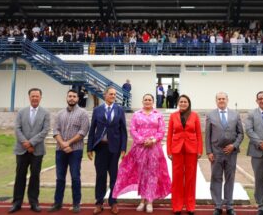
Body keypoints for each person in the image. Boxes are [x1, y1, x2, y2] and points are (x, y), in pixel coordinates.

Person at [112, 94, 171, 213]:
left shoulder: (158, 115)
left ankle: (150, 201)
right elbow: (133, 130)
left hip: (154, 149)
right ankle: (142, 200)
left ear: (153, 102)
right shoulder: (136, 114)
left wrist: (153, 140)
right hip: (139, 148)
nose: (148, 101)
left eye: (150, 100)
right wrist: (142, 141)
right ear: (142, 101)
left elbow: (162, 130)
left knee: (152, 174)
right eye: (146, 100)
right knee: (142, 174)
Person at [9, 88, 51, 213]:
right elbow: (17, 129)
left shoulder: (45, 113)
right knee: (20, 176)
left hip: (37, 150)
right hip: (21, 150)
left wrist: (32, 143)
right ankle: (17, 203)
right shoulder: (21, 112)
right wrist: (26, 144)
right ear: (29, 97)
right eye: (32, 96)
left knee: (35, 177)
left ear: (40, 97)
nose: (35, 98)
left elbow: (45, 130)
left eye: (37, 96)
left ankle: (34, 202)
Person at [87, 87, 128, 215]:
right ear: (105, 95)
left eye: (114, 94)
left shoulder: (119, 110)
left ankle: (113, 202)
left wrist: (123, 148)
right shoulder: (97, 110)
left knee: (114, 176)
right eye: (110, 94)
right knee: (100, 176)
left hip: (114, 148)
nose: (113, 96)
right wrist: (89, 148)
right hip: (100, 148)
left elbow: (123, 131)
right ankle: (99, 203)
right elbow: (92, 129)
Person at [48, 89, 90, 213]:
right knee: (60, 178)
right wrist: (63, 144)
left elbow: (83, 131)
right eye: (69, 96)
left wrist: (69, 143)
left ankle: (76, 203)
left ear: (78, 98)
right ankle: (57, 203)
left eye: (74, 96)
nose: (72, 98)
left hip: (75, 150)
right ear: (67, 98)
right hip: (60, 150)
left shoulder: (83, 113)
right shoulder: (60, 113)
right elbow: (55, 131)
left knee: (75, 177)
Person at [205, 92, 244, 215]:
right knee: (216, 178)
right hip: (216, 153)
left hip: (231, 153)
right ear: (216, 100)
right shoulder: (210, 115)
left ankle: (229, 206)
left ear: (227, 100)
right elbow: (207, 135)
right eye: (219, 99)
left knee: (229, 179)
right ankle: (217, 206)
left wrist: (234, 145)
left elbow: (241, 133)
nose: (221, 100)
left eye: (223, 98)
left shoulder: (235, 114)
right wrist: (209, 151)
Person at [167, 95, 203, 215]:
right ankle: (177, 206)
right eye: (181, 101)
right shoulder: (173, 116)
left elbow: (198, 134)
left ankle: (190, 206)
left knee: (190, 179)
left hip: (191, 150)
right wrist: (169, 151)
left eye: (185, 102)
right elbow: (169, 135)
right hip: (177, 150)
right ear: (178, 103)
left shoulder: (194, 115)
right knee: (177, 179)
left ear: (189, 103)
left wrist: (199, 150)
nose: (183, 103)